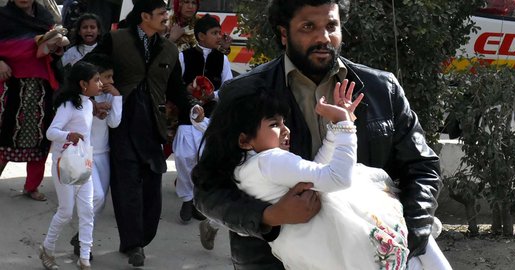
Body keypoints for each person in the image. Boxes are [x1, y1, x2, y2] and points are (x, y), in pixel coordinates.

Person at [191, 0, 442, 269]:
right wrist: (268, 216)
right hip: (271, 260)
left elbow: (422, 167)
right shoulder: (245, 94)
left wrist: (409, 238)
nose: (323, 37)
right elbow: (209, 188)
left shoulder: (382, 89)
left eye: (331, 26)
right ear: (284, 33)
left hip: (367, 257)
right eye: (308, 26)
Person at [88, 0, 190, 266]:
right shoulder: (116, 39)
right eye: (160, 15)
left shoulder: (169, 49)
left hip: (152, 126)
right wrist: (93, 97)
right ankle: (134, 245)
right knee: (126, 187)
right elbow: (89, 67)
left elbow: (176, 87)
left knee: (152, 188)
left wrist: (193, 110)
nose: (166, 19)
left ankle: (140, 239)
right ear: (144, 16)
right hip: (121, 123)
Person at [40, 61, 103, 270]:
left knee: (87, 210)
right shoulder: (69, 105)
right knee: (66, 212)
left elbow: (86, 137)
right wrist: (69, 135)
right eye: (97, 80)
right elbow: (51, 132)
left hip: (82, 162)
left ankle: (84, 259)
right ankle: (47, 248)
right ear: (83, 84)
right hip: (64, 164)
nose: (101, 83)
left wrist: (88, 158)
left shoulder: (87, 103)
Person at [0, 0, 64, 202]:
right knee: (3, 131)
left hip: (39, 86)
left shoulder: (46, 18)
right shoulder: (2, 16)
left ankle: (31, 186)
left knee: (40, 136)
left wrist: (54, 46)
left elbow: (54, 53)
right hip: (7, 83)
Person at [175, 13, 233, 224]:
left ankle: (198, 201)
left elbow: (227, 86)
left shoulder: (222, 59)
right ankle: (186, 197)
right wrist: (189, 91)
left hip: (210, 117)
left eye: (219, 32)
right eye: (214, 33)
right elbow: (176, 85)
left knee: (205, 159)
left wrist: (213, 96)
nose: (219, 37)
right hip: (187, 116)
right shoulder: (184, 56)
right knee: (184, 157)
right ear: (201, 36)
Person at [68, 53, 122, 260]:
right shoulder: (77, 99)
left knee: (98, 202)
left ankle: (82, 238)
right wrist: (92, 109)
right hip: (80, 154)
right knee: (94, 197)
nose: (110, 82)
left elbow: (114, 123)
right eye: (107, 77)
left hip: (103, 154)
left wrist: (116, 96)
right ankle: (83, 244)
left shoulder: (109, 96)